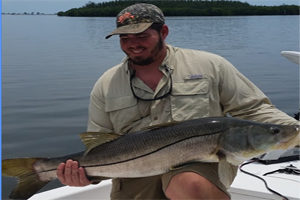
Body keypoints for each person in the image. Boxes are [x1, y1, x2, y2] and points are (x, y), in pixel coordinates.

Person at [56, 3, 299, 200]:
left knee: (189, 185)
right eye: (124, 37)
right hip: (133, 169)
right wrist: (85, 175)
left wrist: (295, 133)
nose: (133, 44)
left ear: (163, 32)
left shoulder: (210, 66)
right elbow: (98, 143)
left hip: (198, 162)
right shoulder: (106, 84)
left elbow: (254, 108)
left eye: (141, 35)